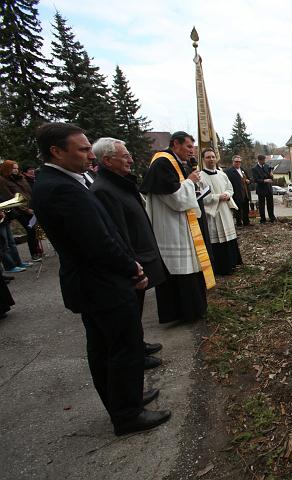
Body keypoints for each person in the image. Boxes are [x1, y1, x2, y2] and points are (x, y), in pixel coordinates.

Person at [32, 122, 170, 436]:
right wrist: (131, 268)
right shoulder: (60, 188)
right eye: (81, 149)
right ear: (56, 151)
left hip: (95, 282)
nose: (88, 155)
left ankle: (124, 399)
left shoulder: (63, 181)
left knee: (105, 347)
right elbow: (97, 241)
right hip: (101, 283)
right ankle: (127, 414)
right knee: (121, 349)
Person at [90, 137, 166, 369]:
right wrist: (133, 266)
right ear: (107, 160)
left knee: (137, 310)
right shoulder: (104, 190)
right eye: (125, 156)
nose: (131, 160)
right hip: (133, 262)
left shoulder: (119, 183)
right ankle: (136, 355)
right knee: (130, 313)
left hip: (140, 256)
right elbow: (119, 234)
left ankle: (139, 344)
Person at [139, 131, 212, 324]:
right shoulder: (163, 163)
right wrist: (190, 182)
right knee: (181, 269)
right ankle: (183, 313)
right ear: (175, 144)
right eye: (188, 146)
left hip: (180, 224)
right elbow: (177, 200)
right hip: (171, 228)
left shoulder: (173, 162)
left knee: (189, 268)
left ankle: (194, 310)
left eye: (193, 147)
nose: (192, 151)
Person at [199, 149, 242, 275]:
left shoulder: (222, 174)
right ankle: (221, 268)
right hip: (212, 212)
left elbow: (230, 188)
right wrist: (218, 197)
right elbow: (201, 197)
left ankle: (232, 264)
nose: (211, 159)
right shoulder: (200, 177)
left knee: (229, 237)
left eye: (213, 157)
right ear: (203, 159)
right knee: (216, 240)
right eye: (208, 157)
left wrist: (228, 194)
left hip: (224, 210)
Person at [0, 160, 42, 261]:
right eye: (13, 168)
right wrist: (26, 209)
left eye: (17, 168)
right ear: (7, 169)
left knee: (35, 230)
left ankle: (38, 251)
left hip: (30, 207)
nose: (16, 170)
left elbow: (28, 191)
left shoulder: (20, 178)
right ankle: (34, 253)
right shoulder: (3, 180)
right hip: (19, 210)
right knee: (30, 230)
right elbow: (9, 196)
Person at [224, 155, 251, 227]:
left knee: (246, 208)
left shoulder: (243, 170)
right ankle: (239, 223)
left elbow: (248, 179)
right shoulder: (228, 171)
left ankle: (246, 222)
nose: (238, 163)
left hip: (245, 193)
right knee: (238, 210)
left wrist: (249, 181)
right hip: (236, 193)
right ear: (233, 162)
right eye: (236, 161)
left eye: (239, 162)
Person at [251, 154, 276, 223]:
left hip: (268, 188)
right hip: (261, 189)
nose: (264, 161)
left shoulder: (267, 166)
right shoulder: (254, 169)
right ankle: (263, 219)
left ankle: (272, 218)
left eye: (264, 160)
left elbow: (271, 178)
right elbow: (255, 180)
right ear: (259, 160)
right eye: (263, 160)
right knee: (261, 205)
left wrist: (271, 175)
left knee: (270, 204)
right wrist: (264, 180)